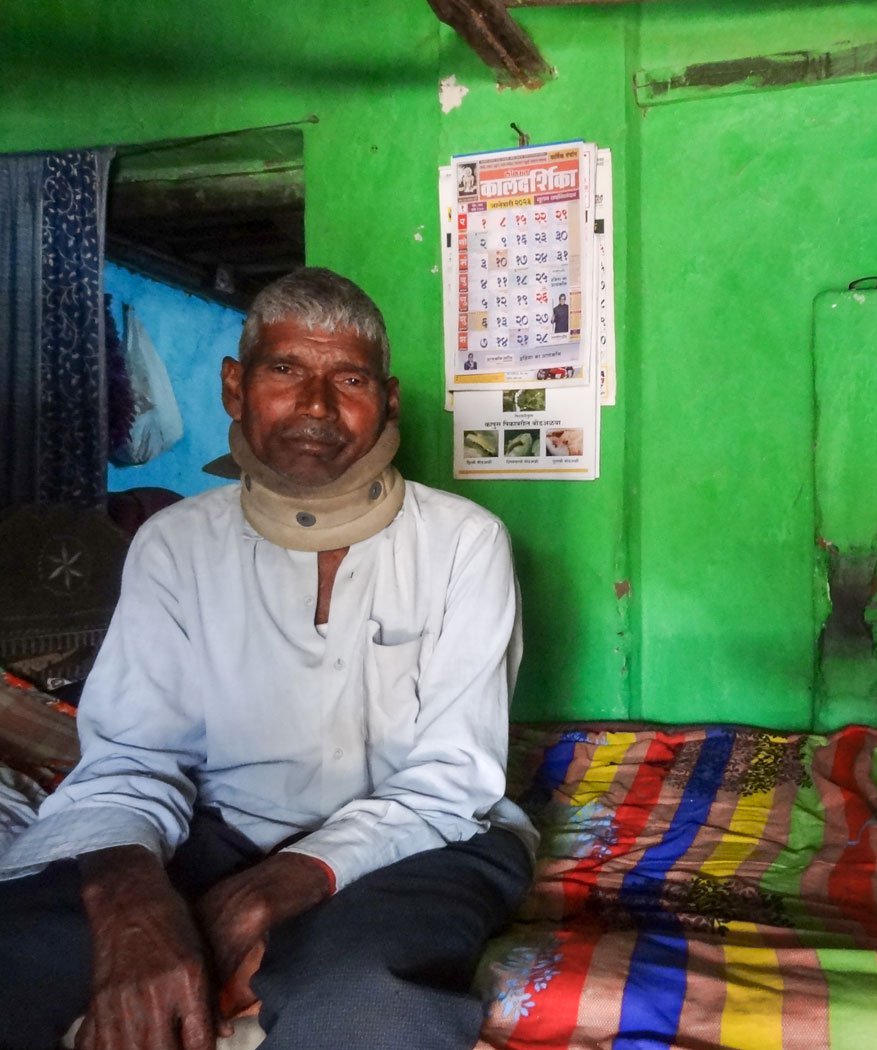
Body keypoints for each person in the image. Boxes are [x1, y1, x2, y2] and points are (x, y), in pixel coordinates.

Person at [0, 268, 535, 1050]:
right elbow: (132, 758)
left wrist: (282, 885)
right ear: (235, 387)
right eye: (286, 370)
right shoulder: (175, 545)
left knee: (368, 1003)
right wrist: (130, 893)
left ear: (386, 401)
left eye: (347, 378)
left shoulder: (462, 542)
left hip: (426, 840)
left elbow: (452, 780)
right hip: (222, 830)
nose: (315, 405)